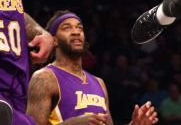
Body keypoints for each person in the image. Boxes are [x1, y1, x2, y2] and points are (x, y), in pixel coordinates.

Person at [26, 10, 158, 125]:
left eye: (79, 28)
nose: (76, 32)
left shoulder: (99, 83)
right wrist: (72, 124)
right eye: (67, 28)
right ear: (54, 40)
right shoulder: (45, 78)